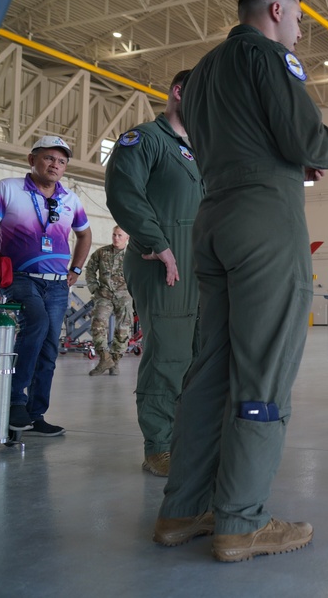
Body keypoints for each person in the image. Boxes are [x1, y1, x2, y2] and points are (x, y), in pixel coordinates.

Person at [151, 0, 328, 562]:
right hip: (264, 226)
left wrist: (285, 164)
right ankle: (241, 520)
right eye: (301, 20)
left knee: (209, 372)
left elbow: (235, 143)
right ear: (277, 10)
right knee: (264, 370)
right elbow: (305, 136)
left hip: (214, 219)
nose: (301, 33)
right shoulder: (269, 56)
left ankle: (182, 510)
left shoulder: (200, 74)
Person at [105, 70, 203, 478]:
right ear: (178, 92)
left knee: (198, 356)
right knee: (170, 354)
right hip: (163, 263)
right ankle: (159, 446)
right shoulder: (145, 139)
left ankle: (189, 438)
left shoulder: (196, 151)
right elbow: (123, 192)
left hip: (197, 269)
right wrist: (156, 244)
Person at [0, 135, 92, 436]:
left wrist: (76, 269)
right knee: (35, 324)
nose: (55, 165)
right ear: (32, 159)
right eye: (49, 158)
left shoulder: (70, 200)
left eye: (61, 161)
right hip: (21, 278)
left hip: (57, 284)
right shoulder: (8, 189)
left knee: (50, 348)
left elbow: (84, 235)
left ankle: (35, 414)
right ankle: (14, 404)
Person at [85, 225, 133, 377]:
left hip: (124, 295)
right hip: (104, 294)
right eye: (114, 235)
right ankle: (105, 358)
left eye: (119, 235)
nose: (116, 238)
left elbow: (141, 275)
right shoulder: (101, 252)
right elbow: (90, 269)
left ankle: (115, 361)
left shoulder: (133, 256)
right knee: (97, 323)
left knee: (123, 329)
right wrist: (94, 288)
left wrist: (135, 292)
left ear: (127, 238)